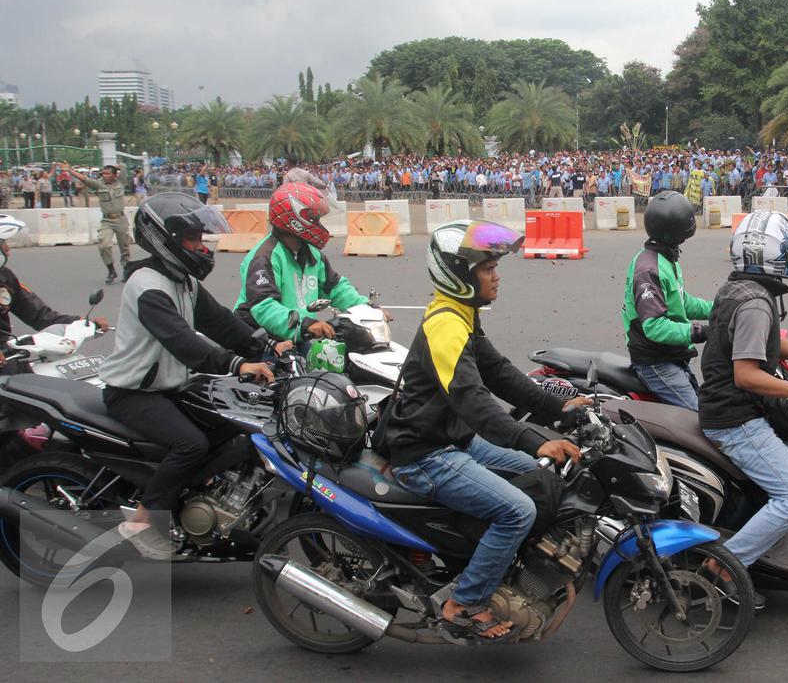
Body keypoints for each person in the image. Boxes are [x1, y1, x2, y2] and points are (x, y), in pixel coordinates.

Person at [378, 219, 588, 641]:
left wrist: (559, 408)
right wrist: (538, 438)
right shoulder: (445, 325)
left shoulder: (462, 313)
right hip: (426, 452)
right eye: (487, 268)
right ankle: (465, 601)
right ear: (459, 275)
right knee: (518, 510)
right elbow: (474, 401)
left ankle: (505, 565)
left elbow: (500, 373)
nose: (497, 275)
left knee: (542, 472)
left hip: (456, 439)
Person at [100, 193, 288, 559]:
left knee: (235, 422)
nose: (200, 247)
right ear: (164, 239)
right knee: (191, 444)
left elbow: (221, 323)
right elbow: (182, 341)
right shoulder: (147, 285)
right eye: (192, 239)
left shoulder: (183, 280)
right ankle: (145, 517)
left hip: (168, 387)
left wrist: (269, 348)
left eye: (201, 239)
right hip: (133, 393)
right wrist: (237, 365)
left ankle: (208, 499)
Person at [698, 210, 788, 608]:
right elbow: (747, 374)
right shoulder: (755, 303)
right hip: (736, 418)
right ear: (782, 254)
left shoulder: (741, 289)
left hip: (735, 409)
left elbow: (767, 345)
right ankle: (722, 569)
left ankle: (754, 547)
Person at [234, 182, 374, 344]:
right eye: (315, 219)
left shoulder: (311, 254)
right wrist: (305, 324)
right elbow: (263, 306)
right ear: (296, 221)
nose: (320, 225)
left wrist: (366, 308)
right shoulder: (264, 257)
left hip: (296, 336)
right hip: (259, 340)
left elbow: (335, 287)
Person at [621, 191, 712, 409]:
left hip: (671, 354)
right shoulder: (649, 269)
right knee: (700, 421)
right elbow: (654, 326)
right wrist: (701, 332)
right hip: (656, 361)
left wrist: (721, 307)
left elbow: (681, 302)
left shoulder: (665, 258)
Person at [0, 213, 109, 371]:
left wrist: (82, 323)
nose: (8, 249)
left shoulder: (5, 278)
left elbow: (40, 315)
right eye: (4, 243)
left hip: (8, 354)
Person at [57, 162, 130, 284]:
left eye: (108, 173)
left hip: (121, 219)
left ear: (114, 175)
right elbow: (84, 179)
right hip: (107, 220)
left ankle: (127, 269)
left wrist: (118, 166)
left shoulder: (120, 182)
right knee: (104, 245)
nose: (105, 175)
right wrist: (69, 170)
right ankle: (111, 270)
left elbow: (124, 167)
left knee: (125, 247)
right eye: (103, 173)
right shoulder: (99, 185)